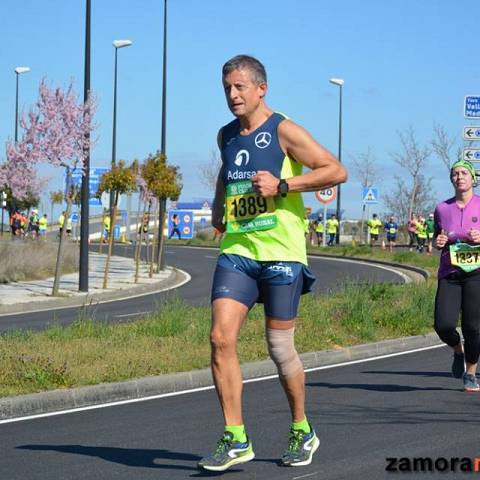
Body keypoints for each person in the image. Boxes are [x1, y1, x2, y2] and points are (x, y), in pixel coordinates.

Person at [198, 55, 347, 472]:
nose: (232, 95)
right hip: (239, 250)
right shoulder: (225, 134)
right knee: (220, 338)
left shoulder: (284, 130)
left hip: (282, 252)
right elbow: (227, 173)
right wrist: (216, 208)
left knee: (280, 349)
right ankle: (235, 437)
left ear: (261, 89)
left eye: (240, 87)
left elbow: (336, 170)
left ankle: (302, 429)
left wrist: (284, 184)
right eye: (227, 87)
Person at [433, 159, 480, 392]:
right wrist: (438, 241)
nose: (459, 177)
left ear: (473, 179)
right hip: (449, 273)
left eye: (464, 173)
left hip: (476, 275)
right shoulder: (442, 208)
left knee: (473, 327)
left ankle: (471, 372)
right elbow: (436, 237)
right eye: (455, 174)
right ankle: (457, 350)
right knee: (443, 324)